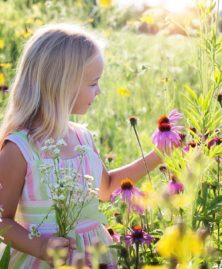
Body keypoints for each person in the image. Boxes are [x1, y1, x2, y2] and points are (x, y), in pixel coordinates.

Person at [0, 23, 162, 268]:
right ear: (61, 85)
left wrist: (157, 155)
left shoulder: (82, 138)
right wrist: (41, 247)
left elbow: (106, 189)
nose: (99, 91)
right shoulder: (20, 149)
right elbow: (2, 220)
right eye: (93, 82)